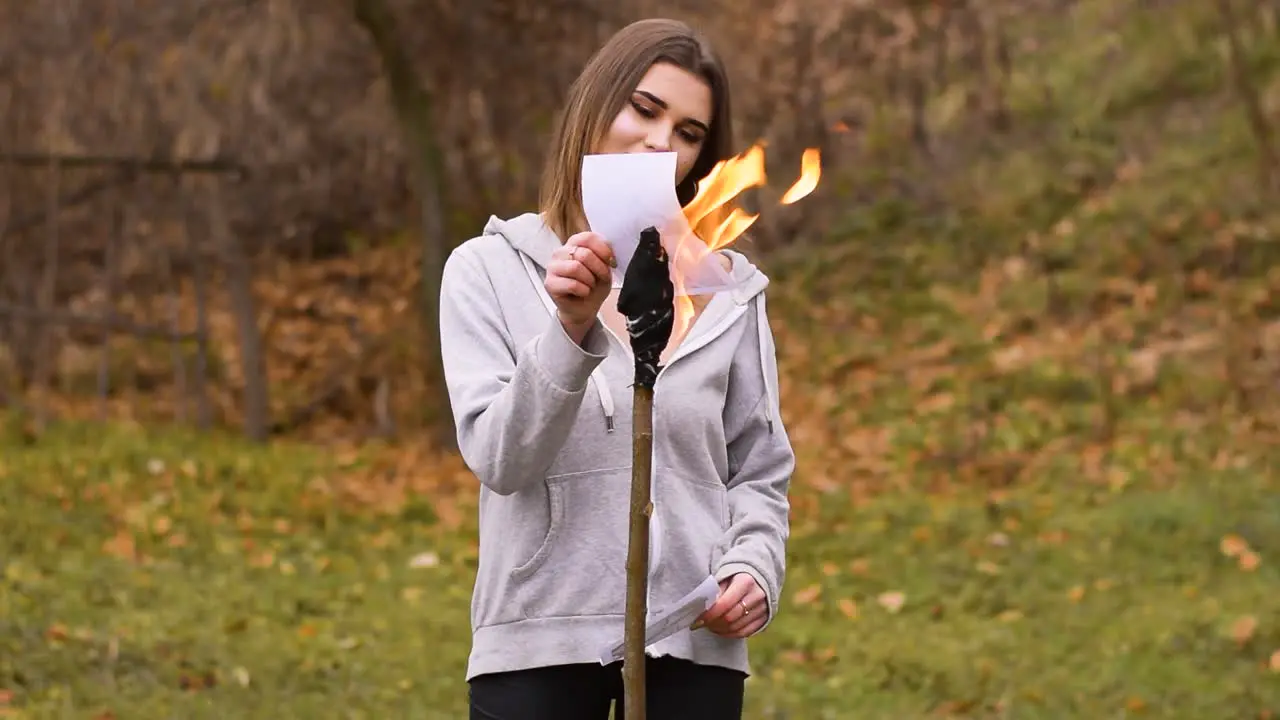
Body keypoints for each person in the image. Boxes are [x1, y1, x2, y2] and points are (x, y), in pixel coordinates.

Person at [438, 17, 795, 720]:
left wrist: (754, 567)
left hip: (691, 644)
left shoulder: (727, 294)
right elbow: (501, 460)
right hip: (539, 640)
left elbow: (758, 469)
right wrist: (569, 329)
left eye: (689, 133)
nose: (662, 142)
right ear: (595, 105)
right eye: (645, 108)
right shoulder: (487, 270)